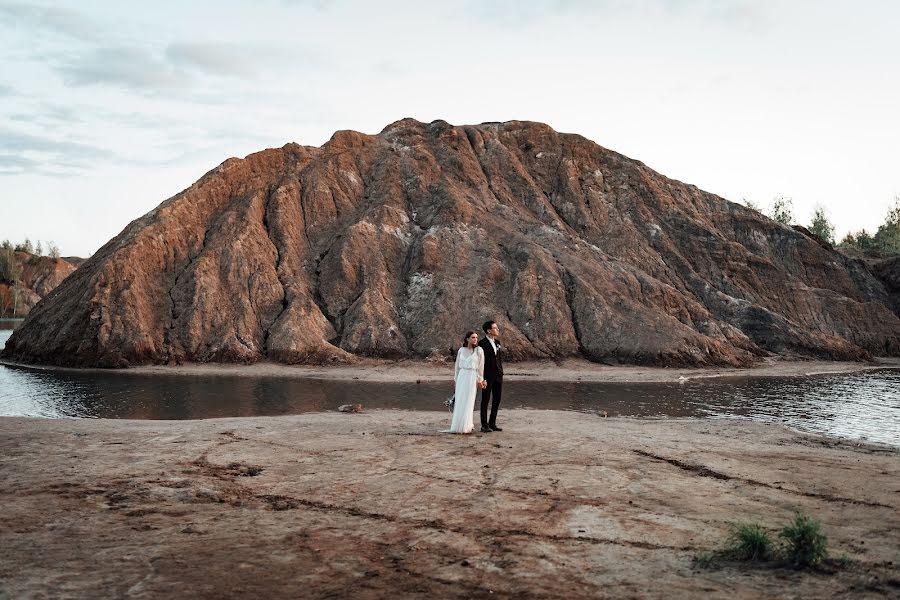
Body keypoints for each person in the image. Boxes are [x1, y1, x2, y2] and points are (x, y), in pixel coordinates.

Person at [448, 331, 486, 434]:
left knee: (469, 400)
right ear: (467, 339)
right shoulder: (461, 350)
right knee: (460, 400)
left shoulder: (479, 350)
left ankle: (467, 425)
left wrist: (480, 380)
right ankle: (457, 425)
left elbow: (481, 367)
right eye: (473, 337)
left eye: (476, 338)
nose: (475, 339)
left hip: (472, 377)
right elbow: (457, 367)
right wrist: (456, 379)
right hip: (462, 377)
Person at [478, 320, 504, 432]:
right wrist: (481, 378)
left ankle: (492, 423)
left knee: (497, 399)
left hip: (498, 375)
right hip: (487, 376)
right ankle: (484, 425)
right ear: (488, 330)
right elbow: (479, 362)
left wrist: (501, 371)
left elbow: (498, 358)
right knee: (485, 400)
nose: (497, 330)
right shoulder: (481, 344)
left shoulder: (498, 342)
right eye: (495, 328)